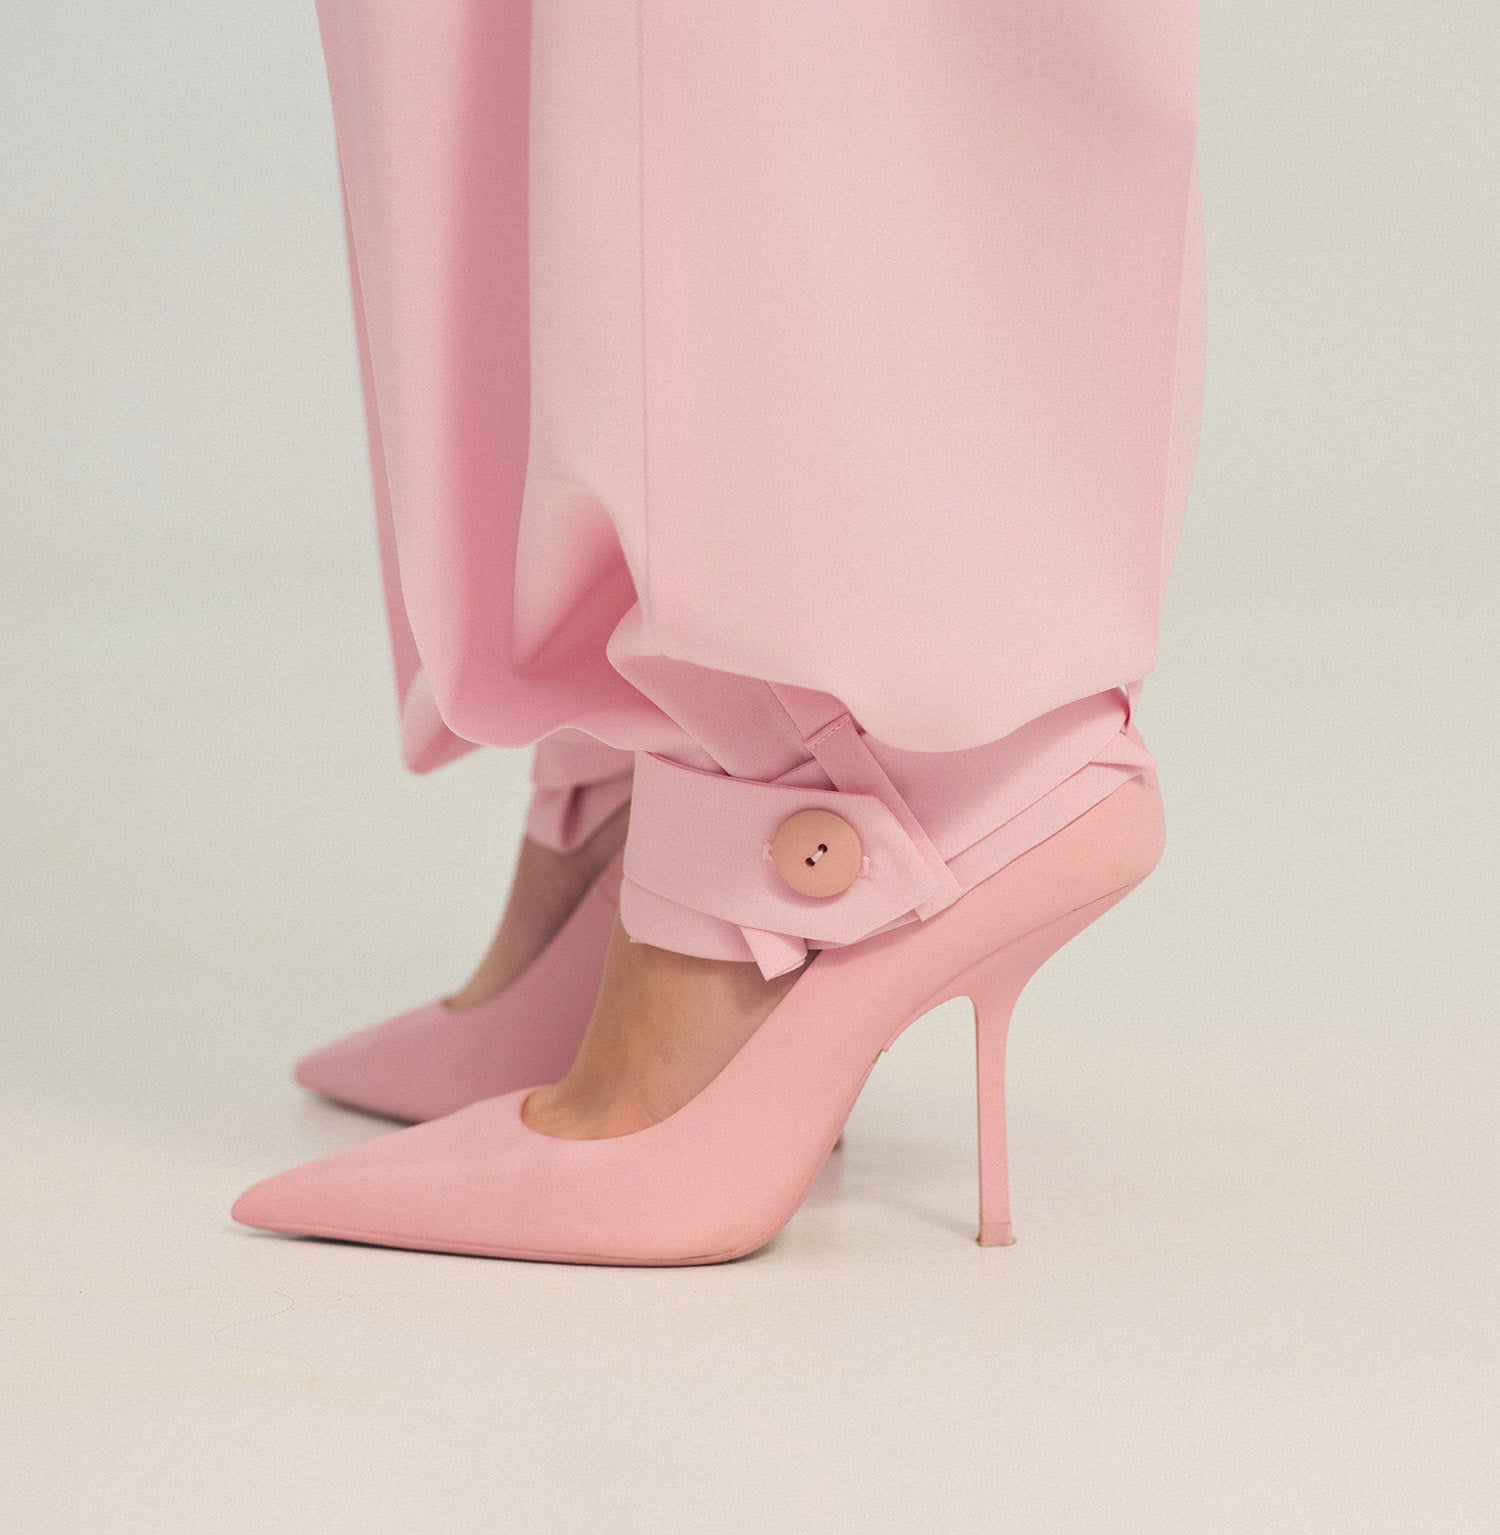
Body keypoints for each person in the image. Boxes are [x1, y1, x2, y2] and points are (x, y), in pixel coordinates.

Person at [234, 1, 1204, 1266]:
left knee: (753, 48)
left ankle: (852, 765)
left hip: (860, 775)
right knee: (497, 53)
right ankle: (646, 756)